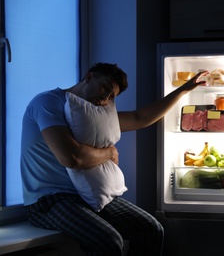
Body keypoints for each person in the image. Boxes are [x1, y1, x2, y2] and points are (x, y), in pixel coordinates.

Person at [20, 63, 207, 255]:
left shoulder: (91, 111)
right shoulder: (47, 102)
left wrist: (183, 90)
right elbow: (72, 158)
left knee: (151, 229)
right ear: (89, 77)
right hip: (48, 201)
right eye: (105, 89)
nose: (105, 99)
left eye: (111, 97)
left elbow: (139, 117)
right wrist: (109, 153)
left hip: (85, 196)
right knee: (109, 241)